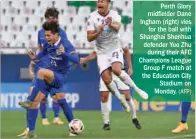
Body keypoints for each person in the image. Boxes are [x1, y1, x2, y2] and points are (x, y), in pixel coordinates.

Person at [19, 21, 80, 138]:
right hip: (49, 76)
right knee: (39, 101)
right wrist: (34, 58)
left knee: (40, 74)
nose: (46, 38)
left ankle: (29, 100)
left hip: (60, 76)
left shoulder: (66, 44)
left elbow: (77, 60)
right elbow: (39, 58)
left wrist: (65, 53)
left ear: (56, 35)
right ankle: (31, 133)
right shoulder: (48, 45)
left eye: (48, 35)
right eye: (45, 35)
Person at [87, 0, 148, 112]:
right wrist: (98, 31)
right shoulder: (92, 17)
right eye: (98, 1)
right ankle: (120, 98)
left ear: (108, 3)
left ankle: (137, 89)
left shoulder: (114, 14)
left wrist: (110, 24)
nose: (99, 3)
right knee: (106, 80)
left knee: (116, 69)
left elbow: (117, 27)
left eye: (102, 1)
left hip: (114, 48)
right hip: (102, 52)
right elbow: (89, 38)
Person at [80, 40, 141, 130]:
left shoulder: (118, 39)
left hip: (118, 71)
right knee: (104, 96)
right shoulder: (100, 41)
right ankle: (106, 123)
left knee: (127, 96)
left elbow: (127, 51)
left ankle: (134, 118)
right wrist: (85, 59)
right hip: (106, 72)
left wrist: (130, 67)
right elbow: (95, 53)